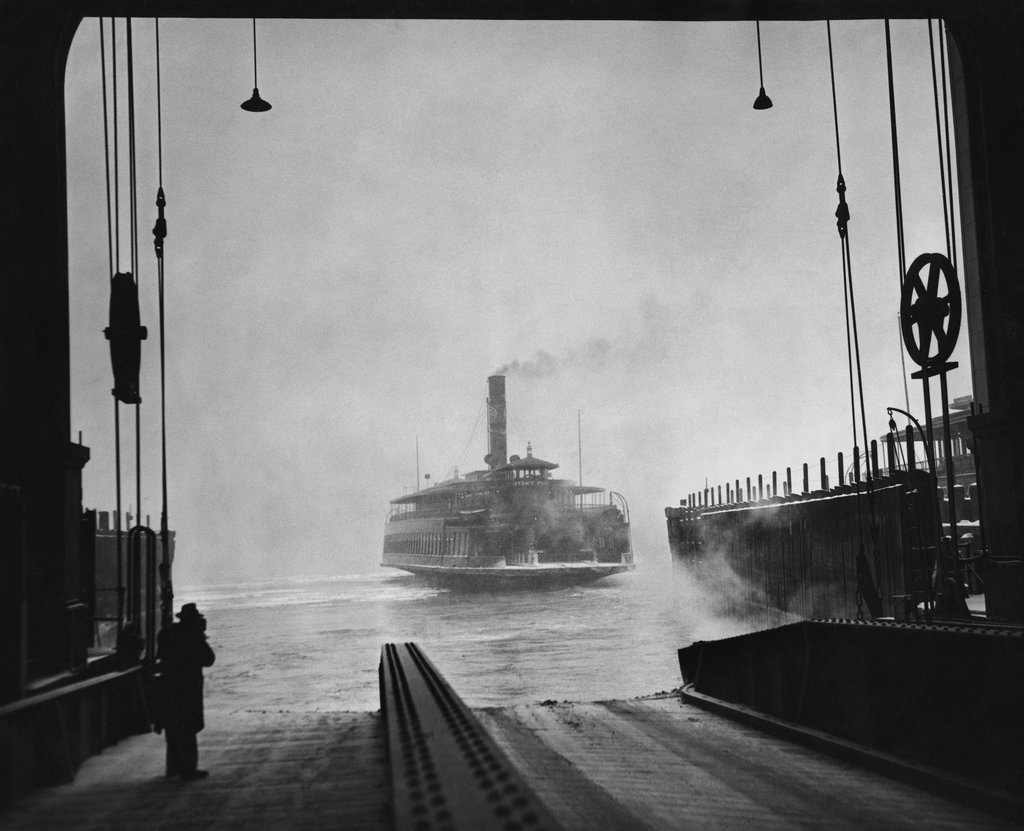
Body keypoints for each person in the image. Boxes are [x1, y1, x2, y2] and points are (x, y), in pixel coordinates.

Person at [156, 602, 216, 780]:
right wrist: (201, 637)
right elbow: (209, 660)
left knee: (173, 728)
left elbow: (161, 654)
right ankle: (188, 768)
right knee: (188, 729)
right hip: (188, 688)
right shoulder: (193, 636)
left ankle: (172, 767)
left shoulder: (166, 633)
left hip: (169, 686)